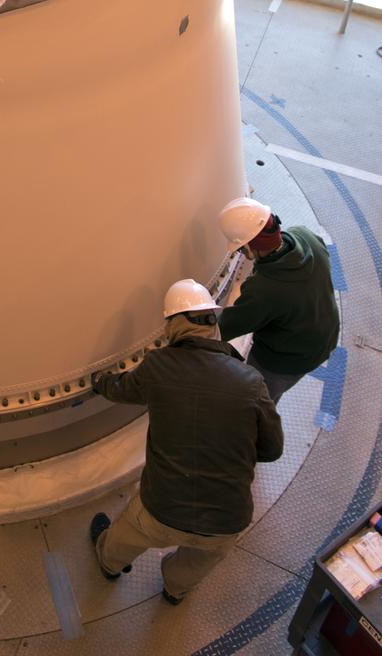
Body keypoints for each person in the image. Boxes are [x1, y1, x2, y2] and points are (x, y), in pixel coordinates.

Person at [89, 279, 283, 604]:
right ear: (211, 322)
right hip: (227, 520)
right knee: (195, 565)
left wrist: (98, 382)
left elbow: (120, 389)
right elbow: (272, 449)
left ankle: (110, 565)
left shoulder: (158, 368)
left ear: (173, 325)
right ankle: (175, 591)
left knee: (122, 539)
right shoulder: (251, 381)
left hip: (161, 508)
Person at [218, 197, 340, 404]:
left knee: (258, 401)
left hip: (287, 360)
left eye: (240, 250)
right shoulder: (305, 235)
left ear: (249, 247)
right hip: (324, 337)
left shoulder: (264, 289)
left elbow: (223, 328)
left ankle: (257, 425)